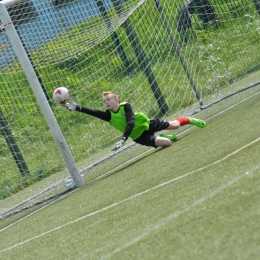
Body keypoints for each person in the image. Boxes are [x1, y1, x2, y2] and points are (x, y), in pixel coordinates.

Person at [63, 91, 206, 151]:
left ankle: (190, 119)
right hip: (139, 137)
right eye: (104, 101)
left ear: (116, 99)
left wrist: (123, 139)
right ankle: (162, 137)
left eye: (109, 99)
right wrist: (77, 108)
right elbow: (93, 112)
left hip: (146, 124)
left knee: (174, 125)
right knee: (167, 143)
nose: (106, 102)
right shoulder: (108, 116)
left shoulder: (126, 107)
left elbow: (131, 122)